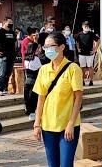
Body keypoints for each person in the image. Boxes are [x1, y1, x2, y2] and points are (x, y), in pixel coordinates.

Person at [33, 33, 83, 167]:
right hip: (48, 126)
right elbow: (41, 99)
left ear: (61, 47)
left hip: (67, 126)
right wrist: (37, 124)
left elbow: (78, 98)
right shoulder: (43, 70)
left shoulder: (73, 68)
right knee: (52, 164)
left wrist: (71, 124)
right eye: (45, 46)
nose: (47, 49)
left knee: (66, 164)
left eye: (51, 46)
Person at [76, 21, 100, 86]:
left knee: (90, 67)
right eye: (85, 26)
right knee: (82, 67)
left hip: (90, 53)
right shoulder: (79, 34)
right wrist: (78, 49)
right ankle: (82, 80)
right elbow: (77, 41)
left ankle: (91, 80)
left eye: (87, 26)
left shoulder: (91, 34)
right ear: (82, 27)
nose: (86, 27)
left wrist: (95, 49)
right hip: (82, 53)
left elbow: (98, 40)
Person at [0, 17, 17, 96]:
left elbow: (15, 42)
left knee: (8, 73)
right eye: (9, 23)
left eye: (12, 23)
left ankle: (5, 88)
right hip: (2, 56)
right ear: (4, 22)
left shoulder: (12, 32)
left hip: (11, 55)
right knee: (1, 73)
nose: (11, 24)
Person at [24, 42, 42, 121]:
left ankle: (30, 111)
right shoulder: (36, 59)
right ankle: (32, 113)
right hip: (34, 80)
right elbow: (40, 69)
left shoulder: (26, 59)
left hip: (28, 81)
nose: (38, 49)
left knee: (28, 96)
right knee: (33, 97)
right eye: (37, 48)